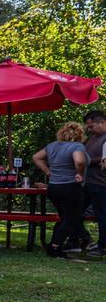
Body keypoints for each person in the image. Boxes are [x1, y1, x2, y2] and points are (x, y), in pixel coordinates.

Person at [33, 122, 88, 258]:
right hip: (70, 187)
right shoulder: (77, 146)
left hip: (54, 188)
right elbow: (80, 161)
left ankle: (55, 246)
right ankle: (54, 247)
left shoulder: (52, 146)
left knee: (64, 219)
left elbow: (36, 157)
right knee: (71, 220)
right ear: (80, 134)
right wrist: (80, 173)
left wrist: (47, 171)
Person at [81, 110, 106, 256]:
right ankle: (86, 239)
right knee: (74, 213)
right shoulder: (92, 139)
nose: (89, 130)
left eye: (92, 126)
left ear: (102, 122)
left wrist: (86, 160)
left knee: (102, 217)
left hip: (101, 184)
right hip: (87, 183)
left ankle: (103, 246)